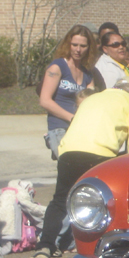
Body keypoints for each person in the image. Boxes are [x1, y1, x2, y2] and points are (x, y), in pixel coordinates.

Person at [29, 78, 129, 258]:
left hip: (68, 151)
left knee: (60, 200)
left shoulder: (92, 98)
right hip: (99, 154)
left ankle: (44, 246)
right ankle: (102, 250)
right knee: (105, 203)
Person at [38, 25, 99, 160]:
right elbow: (45, 100)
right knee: (68, 166)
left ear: (89, 47)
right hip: (59, 128)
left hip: (80, 128)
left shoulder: (87, 73)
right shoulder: (58, 66)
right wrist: (72, 118)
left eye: (83, 46)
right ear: (68, 44)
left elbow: (92, 101)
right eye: (74, 45)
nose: (78, 50)